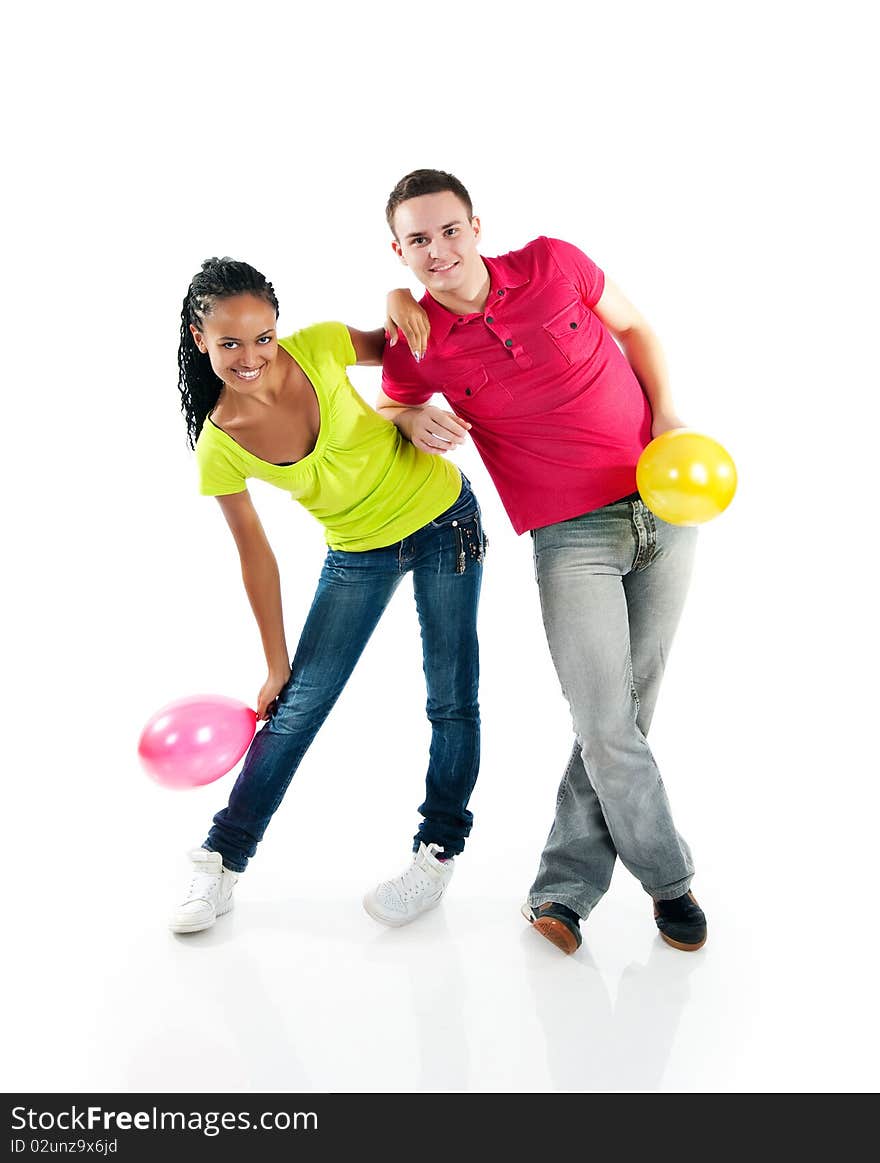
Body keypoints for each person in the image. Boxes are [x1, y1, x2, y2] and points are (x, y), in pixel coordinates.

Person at [376, 170, 707, 954]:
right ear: (399, 250)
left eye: (449, 229)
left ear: (476, 225)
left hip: (667, 503)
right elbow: (389, 397)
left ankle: (561, 891)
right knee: (604, 721)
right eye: (418, 239)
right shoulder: (416, 337)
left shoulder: (554, 263)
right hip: (571, 537)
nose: (438, 249)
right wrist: (413, 411)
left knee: (625, 718)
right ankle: (671, 884)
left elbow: (636, 330)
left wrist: (665, 413)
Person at [169, 257, 487, 934]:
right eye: (230, 343)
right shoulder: (219, 443)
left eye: (263, 337)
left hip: (443, 519)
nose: (251, 356)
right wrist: (276, 662)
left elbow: (411, 342)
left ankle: (436, 853)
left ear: (279, 329)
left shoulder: (316, 347)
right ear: (201, 340)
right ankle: (220, 861)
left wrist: (399, 296)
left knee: (451, 697)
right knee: (294, 709)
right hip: (358, 552)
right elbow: (256, 555)